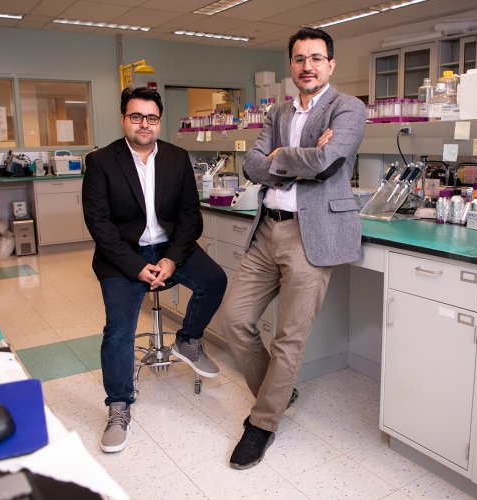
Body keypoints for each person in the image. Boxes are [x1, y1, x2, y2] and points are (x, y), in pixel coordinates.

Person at [218, 27, 366, 469]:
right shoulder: (277, 111)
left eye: (316, 58)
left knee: (289, 338)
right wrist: (293, 156)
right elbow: (251, 164)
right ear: (291, 65)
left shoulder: (350, 108)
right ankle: (278, 393)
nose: (308, 66)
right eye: (300, 59)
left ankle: (262, 424)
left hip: (312, 234)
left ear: (330, 64)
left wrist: (278, 158)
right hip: (267, 229)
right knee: (234, 319)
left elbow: (326, 163)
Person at [82, 87, 227, 453]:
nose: (144, 124)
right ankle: (118, 405)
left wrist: (170, 260)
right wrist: (135, 267)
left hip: (169, 248)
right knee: (118, 330)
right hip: (122, 254)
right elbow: (99, 224)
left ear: (159, 121)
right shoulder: (101, 162)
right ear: (123, 119)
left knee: (215, 280)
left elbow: (189, 217)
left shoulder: (178, 158)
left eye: (151, 118)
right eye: (136, 116)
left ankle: (187, 340)